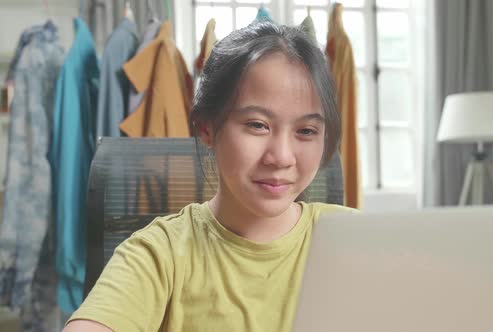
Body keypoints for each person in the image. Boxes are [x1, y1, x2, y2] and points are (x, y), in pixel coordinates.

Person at [63, 20, 355, 332]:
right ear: (206, 129)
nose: (282, 157)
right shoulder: (159, 255)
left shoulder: (354, 240)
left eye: (306, 131)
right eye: (257, 125)